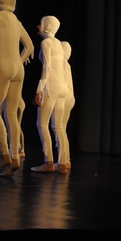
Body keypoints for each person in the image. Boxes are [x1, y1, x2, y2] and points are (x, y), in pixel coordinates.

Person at [0, 0, 34, 177]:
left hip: (2, 65)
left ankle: (4, 154)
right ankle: (15, 158)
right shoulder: (16, 20)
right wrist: (18, 61)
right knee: (11, 114)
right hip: (18, 68)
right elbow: (29, 46)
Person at [31, 16, 69, 173]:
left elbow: (47, 67)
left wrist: (39, 89)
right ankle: (63, 163)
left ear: (47, 26)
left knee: (42, 123)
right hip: (62, 87)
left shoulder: (46, 43)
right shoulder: (59, 44)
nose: (38, 26)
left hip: (51, 86)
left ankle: (48, 161)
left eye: (41, 24)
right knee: (59, 126)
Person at [50, 41, 74, 173]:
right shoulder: (67, 64)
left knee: (57, 127)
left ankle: (62, 162)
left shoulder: (61, 65)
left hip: (63, 99)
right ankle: (66, 160)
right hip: (70, 98)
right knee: (62, 129)